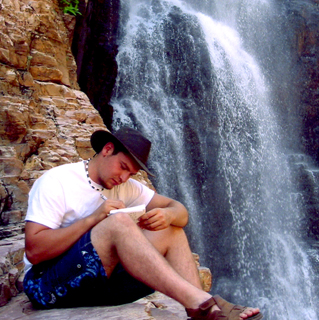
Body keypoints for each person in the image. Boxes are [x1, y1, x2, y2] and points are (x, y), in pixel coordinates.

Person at [23, 126, 263, 320]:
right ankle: (202, 303)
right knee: (119, 223)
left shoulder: (125, 186)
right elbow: (34, 251)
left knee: (172, 230)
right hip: (48, 288)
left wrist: (168, 216)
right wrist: (94, 219)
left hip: (101, 285)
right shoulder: (57, 181)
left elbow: (180, 211)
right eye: (123, 167)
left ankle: (200, 310)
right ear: (107, 149)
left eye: (131, 174)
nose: (124, 178)